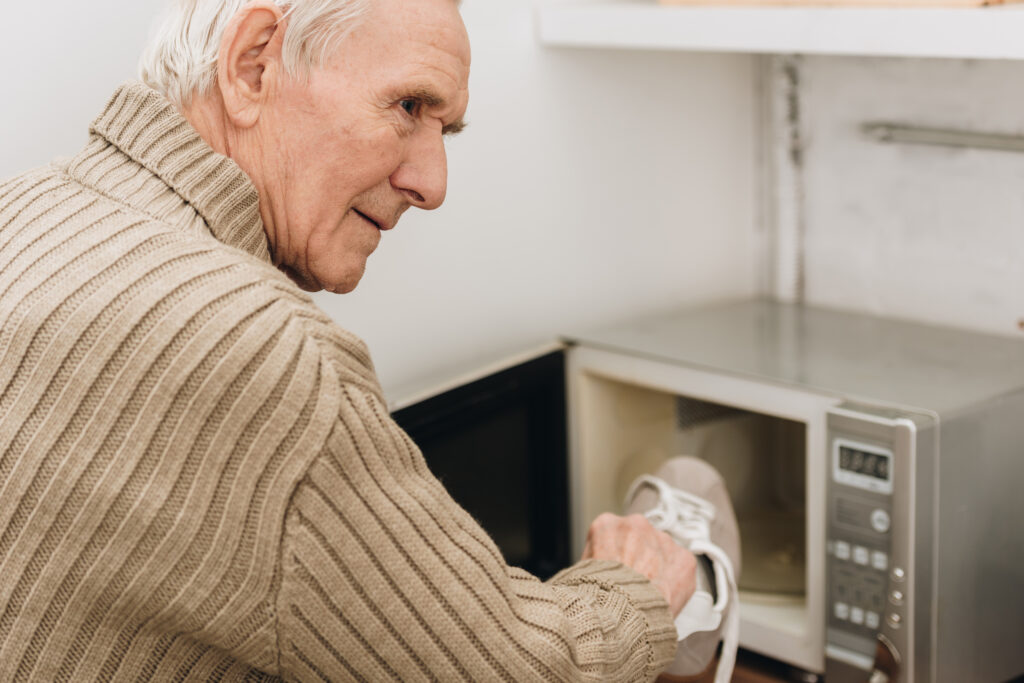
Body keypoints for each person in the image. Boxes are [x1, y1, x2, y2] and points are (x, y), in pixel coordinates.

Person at [0, 0, 738, 680]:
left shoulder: (23, 206)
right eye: (410, 105)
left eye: (443, 129)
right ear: (254, 63)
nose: (434, 182)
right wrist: (636, 585)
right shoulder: (267, 353)